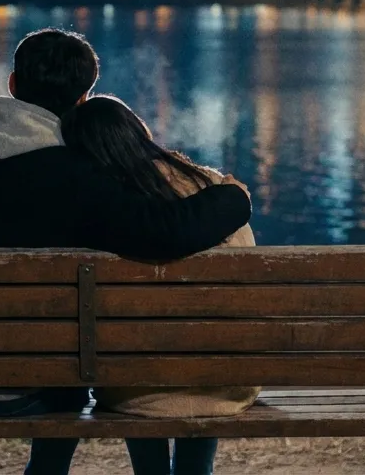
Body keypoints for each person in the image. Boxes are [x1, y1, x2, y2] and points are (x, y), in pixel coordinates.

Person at [0, 28, 252, 475]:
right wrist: (233, 196)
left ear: (12, 85)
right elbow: (167, 232)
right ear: (84, 98)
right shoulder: (77, 176)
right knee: (66, 373)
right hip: (35, 386)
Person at [60, 95, 260, 475]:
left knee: (137, 356)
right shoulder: (212, 186)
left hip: (135, 389)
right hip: (224, 381)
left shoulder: (104, 206)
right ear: (140, 134)